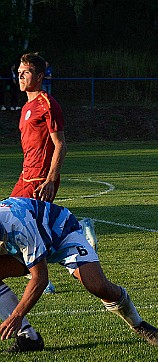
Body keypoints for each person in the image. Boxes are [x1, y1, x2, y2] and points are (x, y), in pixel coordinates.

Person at [0, 197, 158, 353]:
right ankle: (29, 337)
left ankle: (138, 324)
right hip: (25, 242)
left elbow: (40, 278)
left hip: (62, 234)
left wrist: (16, 315)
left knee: (98, 286)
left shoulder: (18, 224)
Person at [10, 53, 67, 295]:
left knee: (20, 230)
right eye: (20, 71)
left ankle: (42, 279)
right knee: (16, 230)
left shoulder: (47, 103)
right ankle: (42, 275)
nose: (21, 75)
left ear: (40, 76)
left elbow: (61, 144)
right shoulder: (26, 106)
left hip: (39, 180)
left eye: (27, 71)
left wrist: (51, 179)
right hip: (26, 176)